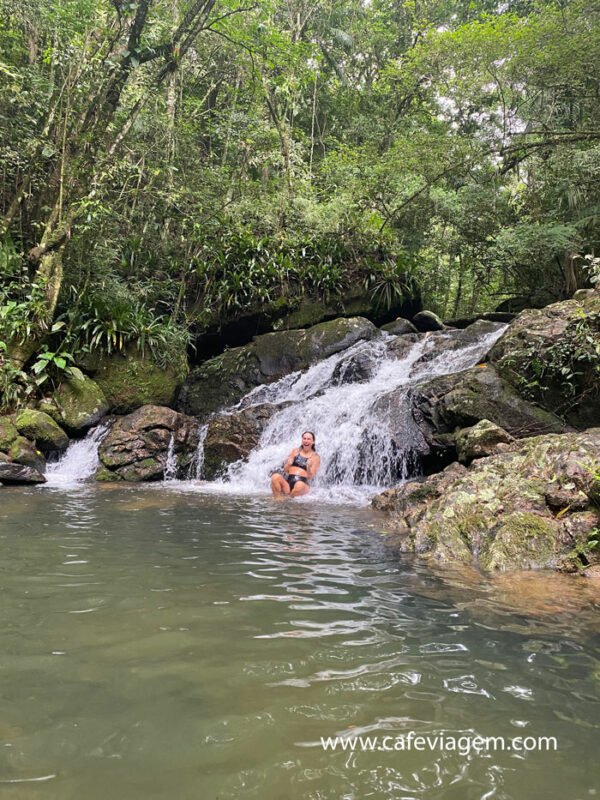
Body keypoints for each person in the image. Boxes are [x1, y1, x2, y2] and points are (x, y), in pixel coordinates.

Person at [271, 431, 320, 498]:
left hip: (303, 485)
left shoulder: (315, 457)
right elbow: (286, 470)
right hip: (288, 482)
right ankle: (278, 499)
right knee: (275, 477)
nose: (306, 441)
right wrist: (288, 464)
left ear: (313, 442)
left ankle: (287, 500)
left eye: (308, 439)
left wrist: (308, 467)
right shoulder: (295, 451)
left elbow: (311, 477)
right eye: (304, 438)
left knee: (299, 485)